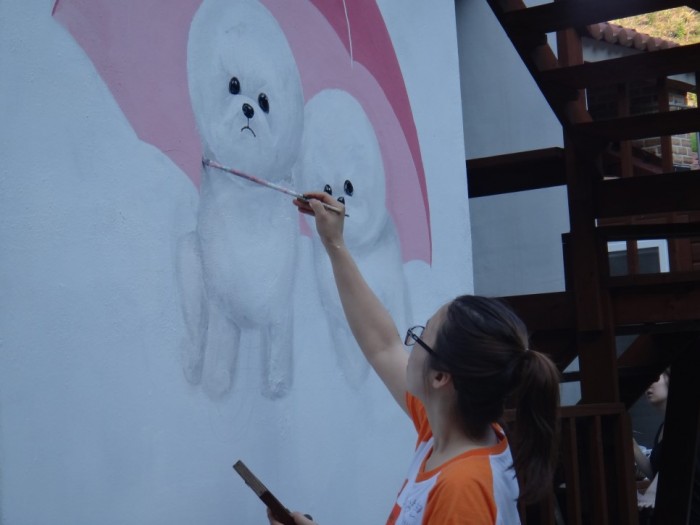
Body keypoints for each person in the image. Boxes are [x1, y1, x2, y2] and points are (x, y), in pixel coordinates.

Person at [269, 192, 561, 525]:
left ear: (441, 377)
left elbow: (385, 347)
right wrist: (334, 243)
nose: (409, 344)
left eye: (422, 335)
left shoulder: (461, 490)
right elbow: (382, 344)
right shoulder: (447, 430)